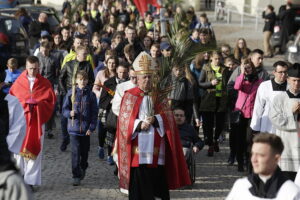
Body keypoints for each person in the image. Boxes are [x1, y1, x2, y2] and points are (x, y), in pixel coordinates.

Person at [116, 52, 191, 199]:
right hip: (137, 149)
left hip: (156, 147)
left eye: (150, 77)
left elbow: (168, 118)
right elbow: (124, 121)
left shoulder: (160, 96)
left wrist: (156, 120)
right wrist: (138, 124)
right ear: (137, 78)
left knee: (157, 183)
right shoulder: (129, 95)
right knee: (139, 183)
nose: (147, 80)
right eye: (144, 77)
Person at [5, 56, 56, 187]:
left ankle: (30, 182)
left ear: (39, 67)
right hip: (21, 122)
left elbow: (50, 102)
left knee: (35, 150)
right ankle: (19, 178)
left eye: (35, 68)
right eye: (30, 68)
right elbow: (11, 99)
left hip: (38, 121)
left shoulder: (45, 83)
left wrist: (38, 105)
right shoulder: (19, 82)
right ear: (26, 67)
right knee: (18, 151)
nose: (32, 71)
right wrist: (25, 104)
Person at [226, 133, 300, 200]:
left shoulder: (291, 192)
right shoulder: (241, 186)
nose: (254, 160)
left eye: (261, 155)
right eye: (253, 154)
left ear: (276, 159)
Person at [62, 70, 97, 186]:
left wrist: (91, 127)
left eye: (85, 79)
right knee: (75, 153)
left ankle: (83, 166)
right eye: (80, 79)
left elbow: (94, 113)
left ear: (87, 81)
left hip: (86, 130)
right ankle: (76, 175)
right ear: (76, 80)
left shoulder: (91, 95)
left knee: (84, 153)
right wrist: (69, 113)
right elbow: (64, 109)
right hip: (74, 129)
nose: (82, 81)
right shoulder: (71, 93)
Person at [59, 46, 94, 152]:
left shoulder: (88, 66)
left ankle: (80, 137)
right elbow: (61, 78)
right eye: (84, 54)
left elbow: (92, 80)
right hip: (69, 94)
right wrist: (66, 93)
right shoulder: (68, 64)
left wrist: (87, 92)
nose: (86, 56)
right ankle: (65, 138)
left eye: (87, 54)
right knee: (64, 117)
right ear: (77, 54)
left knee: (81, 116)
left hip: (82, 94)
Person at [269, 63, 300, 181]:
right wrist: (291, 112)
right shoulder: (279, 98)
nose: (296, 84)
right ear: (288, 79)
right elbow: (275, 119)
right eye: (294, 80)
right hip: (286, 146)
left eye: (299, 81)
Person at [231, 58, 263, 172]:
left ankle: (249, 164)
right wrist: (242, 74)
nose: (248, 70)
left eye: (249, 67)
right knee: (239, 140)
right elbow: (236, 87)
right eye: (246, 68)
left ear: (253, 68)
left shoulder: (258, 82)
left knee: (249, 140)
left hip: (252, 114)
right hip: (241, 113)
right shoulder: (241, 80)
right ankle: (240, 162)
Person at [199, 51, 230, 156]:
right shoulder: (206, 68)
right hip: (208, 99)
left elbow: (229, 83)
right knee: (208, 124)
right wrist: (210, 83)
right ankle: (210, 144)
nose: (218, 61)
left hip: (221, 99)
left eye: (219, 59)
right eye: (216, 59)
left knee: (220, 123)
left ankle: (216, 139)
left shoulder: (225, 69)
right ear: (211, 58)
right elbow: (200, 83)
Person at [251, 61, 288, 134]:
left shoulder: (290, 86)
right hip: (268, 124)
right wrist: (255, 126)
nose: (283, 75)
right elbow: (258, 107)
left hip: (285, 125)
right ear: (274, 72)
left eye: (285, 72)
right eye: (280, 72)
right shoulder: (265, 86)